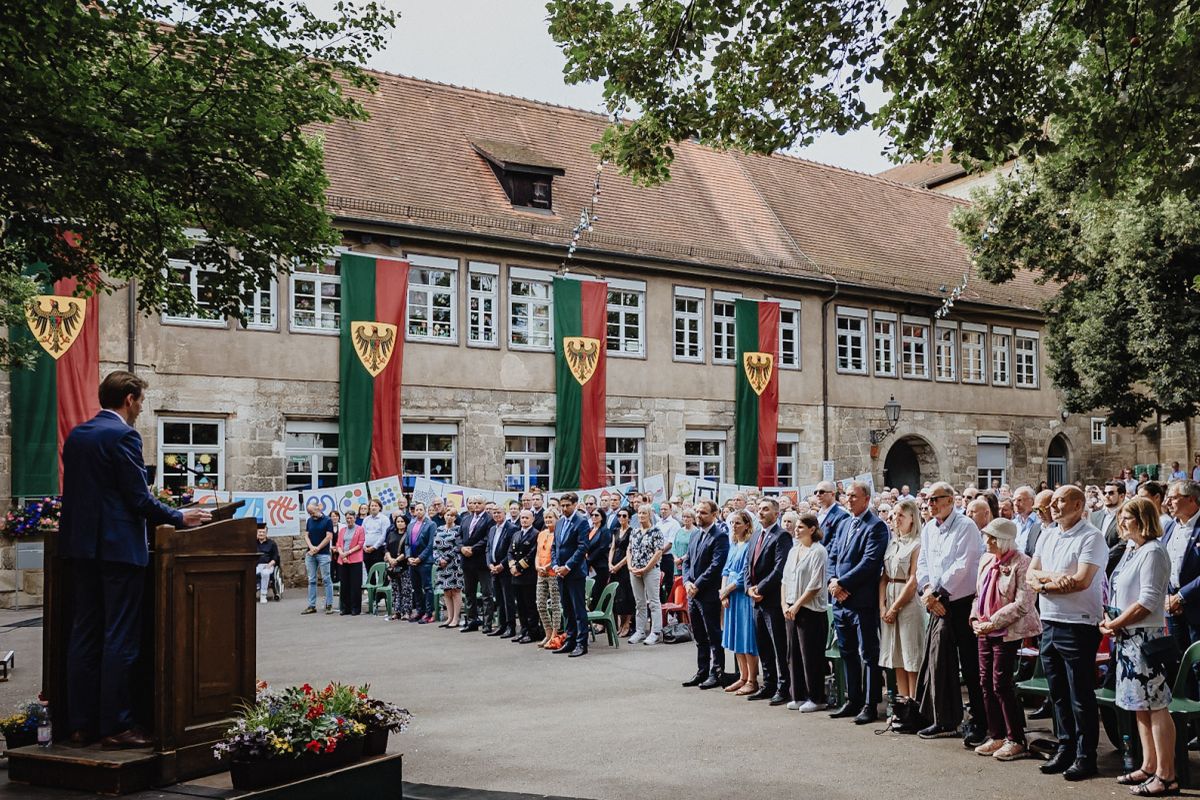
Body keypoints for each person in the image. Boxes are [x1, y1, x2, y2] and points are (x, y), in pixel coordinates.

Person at [60, 371, 210, 748]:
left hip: (82, 549)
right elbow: (137, 498)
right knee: (119, 637)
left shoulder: (78, 435)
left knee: (84, 635)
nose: (142, 407)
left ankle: (80, 724)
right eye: (141, 400)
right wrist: (180, 516)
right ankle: (116, 725)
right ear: (128, 398)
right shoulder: (124, 435)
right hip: (119, 550)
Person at [1027, 485, 1107, 780]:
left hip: (1078, 622)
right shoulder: (1048, 534)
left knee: (1080, 694)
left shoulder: (1091, 537)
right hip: (1049, 619)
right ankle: (1066, 746)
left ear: (1077, 504)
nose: (1054, 506)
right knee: (1058, 691)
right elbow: (1029, 574)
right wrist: (1055, 579)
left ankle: (1086, 756)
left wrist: (1045, 584)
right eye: (1053, 501)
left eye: (1061, 501)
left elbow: (1082, 580)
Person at [1102, 497, 1177, 796]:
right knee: (1139, 706)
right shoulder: (1132, 551)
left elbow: (1147, 601)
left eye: (1128, 517)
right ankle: (1148, 765)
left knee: (1157, 705)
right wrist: (1110, 618)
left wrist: (1116, 622)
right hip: (1127, 636)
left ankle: (1167, 774)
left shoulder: (1154, 552)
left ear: (1144, 518)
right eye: (1121, 517)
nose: (1122, 522)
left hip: (1145, 637)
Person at [913, 482, 988, 743]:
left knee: (969, 665)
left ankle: (980, 721)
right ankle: (943, 717)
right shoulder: (929, 528)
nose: (930, 504)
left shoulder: (965, 526)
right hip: (937, 601)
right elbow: (923, 563)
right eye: (927, 500)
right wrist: (926, 590)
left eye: (935, 499)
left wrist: (938, 593)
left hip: (961, 601)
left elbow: (963, 564)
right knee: (939, 662)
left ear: (950, 500)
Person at [970, 518, 1041, 761]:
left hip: (1007, 631)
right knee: (985, 683)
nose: (987, 541)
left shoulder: (1022, 562)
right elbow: (978, 594)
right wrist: (975, 619)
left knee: (1001, 682)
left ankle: (1015, 738)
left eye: (992, 537)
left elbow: (1023, 603)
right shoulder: (986, 560)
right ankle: (996, 734)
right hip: (985, 630)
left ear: (1004, 540)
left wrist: (993, 621)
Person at [827, 481, 889, 724]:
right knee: (847, 652)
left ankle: (869, 704)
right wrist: (833, 581)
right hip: (841, 601)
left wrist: (843, 583)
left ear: (866, 499)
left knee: (868, 654)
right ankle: (852, 699)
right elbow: (833, 555)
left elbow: (870, 562)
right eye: (848, 496)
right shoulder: (844, 523)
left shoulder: (876, 527)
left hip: (861, 600)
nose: (850, 500)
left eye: (855, 496)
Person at [745, 498, 792, 705]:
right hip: (756, 600)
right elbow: (748, 565)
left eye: (765, 509)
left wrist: (761, 588)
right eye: (759, 509)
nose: (761, 513)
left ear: (776, 513)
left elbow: (779, 569)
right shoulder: (756, 535)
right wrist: (749, 588)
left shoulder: (781, 537)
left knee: (778, 646)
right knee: (763, 645)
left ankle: (784, 687)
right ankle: (769, 684)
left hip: (771, 599)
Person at [781, 512, 829, 712]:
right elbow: (784, 580)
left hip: (810, 609)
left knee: (810, 654)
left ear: (812, 529)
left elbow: (815, 584)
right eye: (796, 527)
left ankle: (816, 697)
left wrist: (798, 604)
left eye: (801, 527)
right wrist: (785, 605)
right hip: (791, 607)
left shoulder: (818, 551)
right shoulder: (794, 550)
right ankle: (798, 694)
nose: (796, 530)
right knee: (793, 654)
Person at [682, 499, 730, 690]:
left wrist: (697, 584)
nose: (699, 516)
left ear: (714, 514)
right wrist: (687, 581)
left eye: (703, 512)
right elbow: (687, 561)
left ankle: (716, 672)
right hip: (692, 593)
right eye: (698, 512)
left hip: (707, 593)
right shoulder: (695, 534)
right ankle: (702, 671)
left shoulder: (720, 537)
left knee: (713, 635)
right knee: (699, 635)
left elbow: (716, 565)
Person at [879, 498, 922, 701]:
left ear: (912, 518)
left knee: (910, 655)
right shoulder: (892, 543)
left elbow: (913, 580)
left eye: (901, 515)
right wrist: (882, 606)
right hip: (889, 597)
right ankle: (902, 701)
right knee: (896, 655)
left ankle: (914, 702)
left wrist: (894, 608)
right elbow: (884, 577)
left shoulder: (917, 544)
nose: (896, 519)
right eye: (894, 515)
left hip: (907, 602)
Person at [720, 510, 759, 696]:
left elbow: (746, 573)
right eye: (732, 523)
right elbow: (726, 569)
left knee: (746, 637)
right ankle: (742, 676)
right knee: (735, 637)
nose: (734, 526)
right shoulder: (734, 544)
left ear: (747, 525)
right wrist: (723, 593)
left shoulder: (750, 545)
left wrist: (728, 589)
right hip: (730, 594)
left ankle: (752, 679)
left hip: (742, 594)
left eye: (738, 523)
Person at [551, 492, 590, 657]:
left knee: (578, 609)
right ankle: (570, 640)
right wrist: (555, 565)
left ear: (575, 504)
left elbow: (582, 547)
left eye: (568, 505)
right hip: (561, 572)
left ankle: (582, 643)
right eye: (563, 505)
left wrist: (568, 566)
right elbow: (555, 546)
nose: (565, 508)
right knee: (566, 609)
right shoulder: (559, 522)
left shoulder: (581, 522)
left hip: (575, 572)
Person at [628, 504, 667, 645]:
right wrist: (630, 566)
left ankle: (655, 631)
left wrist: (645, 568)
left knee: (654, 601)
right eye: (639, 513)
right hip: (635, 570)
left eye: (644, 513)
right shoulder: (635, 531)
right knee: (639, 602)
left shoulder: (656, 531)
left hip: (651, 570)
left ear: (650, 514)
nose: (641, 515)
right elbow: (629, 549)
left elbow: (658, 552)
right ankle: (640, 630)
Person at [458, 495, 495, 633]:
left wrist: (472, 549)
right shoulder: (466, 519)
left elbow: (487, 538)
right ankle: (472, 620)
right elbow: (458, 536)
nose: (476, 505)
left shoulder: (489, 519)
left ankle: (487, 623)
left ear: (484, 504)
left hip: (481, 561)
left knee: (486, 594)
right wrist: (461, 548)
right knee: (469, 593)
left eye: (479, 503)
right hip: (467, 562)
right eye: (473, 503)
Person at [507, 509, 543, 644]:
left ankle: (533, 632)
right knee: (520, 606)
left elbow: (532, 554)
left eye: (527, 518)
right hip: (516, 576)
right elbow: (510, 551)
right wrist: (511, 566)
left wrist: (518, 567)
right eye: (522, 518)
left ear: (532, 519)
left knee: (530, 605)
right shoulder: (516, 534)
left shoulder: (536, 534)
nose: (524, 520)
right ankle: (523, 630)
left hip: (528, 576)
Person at [486, 502, 518, 638]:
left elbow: (512, 551)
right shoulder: (492, 529)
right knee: (498, 599)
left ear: (505, 513)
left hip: (505, 570)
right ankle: (501, 625)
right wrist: (489, 564)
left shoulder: (512, 528)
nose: (497, 515)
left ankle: (511, 627)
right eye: (494, 512)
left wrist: (502, 565)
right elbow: (488, 548)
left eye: (499, 512)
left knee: (508, 600)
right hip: (493, 569)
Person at [536, 507, 563, 649]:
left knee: (554, 605)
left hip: (553, 573)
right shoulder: (541, 534)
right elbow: (538, 553)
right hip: (540, 573)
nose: (548, 520)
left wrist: (547, 567)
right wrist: (537, 566)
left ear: (556, 519)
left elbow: (557, 555)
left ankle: (554, 634)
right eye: (546, 518)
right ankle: (547, 632)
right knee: (540, 604)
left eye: (550, 518)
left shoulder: (558, 534)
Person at [302, 501, 336, 615]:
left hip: (323, 554)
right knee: (311, 580)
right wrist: (311, 547)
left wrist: (318, 548)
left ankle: (329, 604)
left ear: (318, 508)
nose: (312, 515)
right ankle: (311, 605)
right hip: (311, 554)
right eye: (309, 513)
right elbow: (306, 535)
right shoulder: (309, 521)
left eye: (313, 512)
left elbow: (329, 537)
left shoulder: (327, 520)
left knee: (326, 579)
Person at [405, 503, 436, 623]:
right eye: (416, 509)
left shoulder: (431, 524)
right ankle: (419, 611)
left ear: (425, 510)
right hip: (412, 561)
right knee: (416, 588)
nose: (418, 511)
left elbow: (430, 545)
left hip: (425, 561)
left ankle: (429, 613)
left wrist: (420, 558)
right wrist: (408, 557)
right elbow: (407, 543)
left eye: (420, 509)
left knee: (427, 587)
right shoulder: (410, 525)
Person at [433, 507, 464, 627]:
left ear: (455, 517)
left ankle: (456, 618)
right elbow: (434, 547)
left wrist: (446, 558)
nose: (449, 517)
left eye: (452, 515)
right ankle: (449, 617)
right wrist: (438, 559)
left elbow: (458, 547)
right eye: (447, 515)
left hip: (454, 564)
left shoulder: (458, 529)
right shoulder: (439, 529)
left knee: (455, 591)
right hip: (441, 565)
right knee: (446, 591)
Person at [333, 509, 365, 616]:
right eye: (347, 518)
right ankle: (345, 608)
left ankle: (355, 608)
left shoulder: (360, 529)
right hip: (343, 560)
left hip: (355, 559)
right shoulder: (342, 530)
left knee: (355, 585)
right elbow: (338, 544)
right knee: (344, 584)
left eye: (351, 518)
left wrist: (348, 553)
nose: (349, 520)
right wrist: (342, 553)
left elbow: (360, 544)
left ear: (355, 518)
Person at [609, 507, 635, 636]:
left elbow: (630, 551)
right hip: (614, 565)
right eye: (619, 515)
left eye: (624, 516)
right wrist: (610, 563)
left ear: (629, 517)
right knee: (618, 596)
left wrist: (619, 565)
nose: (621, 518)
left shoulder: (632, 531)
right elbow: (613, 548)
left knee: (626, 596)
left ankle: (627, 624)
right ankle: (621, 623)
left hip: (625, 566)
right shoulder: (615, 531)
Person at [384, 513, 412, 621]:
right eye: (398, 522)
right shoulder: (391, 534)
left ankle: (406, 611)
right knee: (395, 589)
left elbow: (407, 550)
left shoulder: (408, 535)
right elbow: (386, 548)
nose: (400, 524)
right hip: (392, 566)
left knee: (406, 589)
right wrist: (390, 559)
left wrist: (397, 560)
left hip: (404, 565)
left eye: (402, 521)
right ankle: (397, 611)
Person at [585, 508, 612, 611]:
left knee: (598, 592)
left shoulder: (605, 530)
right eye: (592, 515)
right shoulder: (590, 530)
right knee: (591, 593)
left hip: (600, 566)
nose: (594, 517)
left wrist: (589, 560)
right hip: (589, 566)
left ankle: (600, 621)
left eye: (597, 515)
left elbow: (602, 548)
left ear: (602, 517)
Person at [1013, 485, 1043, 557]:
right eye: (1014, 500)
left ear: (1032, 501)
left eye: (1019, 500)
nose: (1015, 504)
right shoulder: (1013, 523)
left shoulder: (1040, 522)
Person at [361, 499, 388, 576]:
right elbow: (362, 533)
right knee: (369, 572)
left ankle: (382, 587)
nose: (373, 507)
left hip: (379, 549)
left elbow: (384, 535)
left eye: (376, 506)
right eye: (372, 506)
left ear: (380, 508)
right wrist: (364, 546)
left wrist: (374, 547)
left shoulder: (384, 519)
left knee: (381, 573)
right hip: (366, 549)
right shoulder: (366, 519)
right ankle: (371, 587)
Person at [255, 527, 281, 604]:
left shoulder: (272, 543)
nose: (261, 534)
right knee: (250, 573)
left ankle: (263, 595)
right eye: (259, 532)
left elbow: (275, 556)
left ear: (266, 533)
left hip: (268, 565)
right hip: (256, 565)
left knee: (265, 573)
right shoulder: (253, 543)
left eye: (263, 532)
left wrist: (270, 564)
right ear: (257, 533)